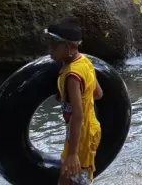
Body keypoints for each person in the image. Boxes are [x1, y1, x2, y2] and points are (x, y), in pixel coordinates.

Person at [45, 17, 102, 185]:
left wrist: (73, 154)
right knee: (65, 179)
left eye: (54, 46)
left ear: (69, 47)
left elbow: (77, 115)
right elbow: (98, 93)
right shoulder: (85, 61)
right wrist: (68, 97)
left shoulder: (72, 76)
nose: (50, 50)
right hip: (87, 130)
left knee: (77, 178)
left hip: (81, 137)